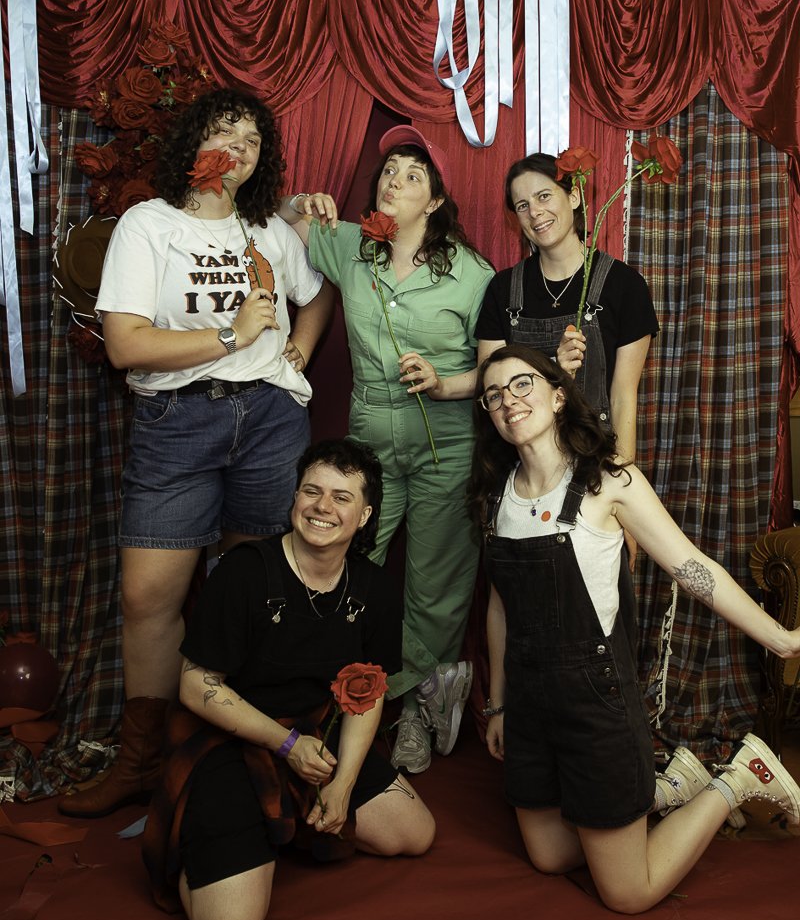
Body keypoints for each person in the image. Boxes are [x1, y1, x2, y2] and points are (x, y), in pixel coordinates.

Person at [60, 88, 334, 818]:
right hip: (177, 421)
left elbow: (317, 293)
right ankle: (141, 760)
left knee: (249, 592)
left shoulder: (269, 229)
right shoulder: (150, 225)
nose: (238, 145)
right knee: (149, 595)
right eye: (223, 130)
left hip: (270, 422)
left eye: (251, 137)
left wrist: (295, 353)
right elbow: (125, 344)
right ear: (193, 143)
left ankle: (235, 743)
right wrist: (231, 337)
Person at [468, 343, 800, 914]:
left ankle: (736, 777)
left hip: (596, 701)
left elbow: (695, 571)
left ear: (556, 395)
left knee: (628, 894)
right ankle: (665, 789)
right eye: (494, 395)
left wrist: (784, 639)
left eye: (522, 385)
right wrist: (498, 704)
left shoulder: (610, 483)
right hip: (529, 704)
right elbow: (499, 606)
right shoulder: (494, 496)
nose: (508, 401)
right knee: (548, 856)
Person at [142, 438, 435, 920]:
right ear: (294, 498)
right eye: (311, 491)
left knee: (413, 835)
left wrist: (342, 782)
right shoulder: (243, 572)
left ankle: (288, 817)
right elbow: (194, 685)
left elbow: (366, 695)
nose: (323, 507)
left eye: (342, 498)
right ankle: (207, 845)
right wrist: (287, 746)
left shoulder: (373, 587)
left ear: (365, 515)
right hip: (231, 741)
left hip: (315, 738)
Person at [280, 126, 494, 775]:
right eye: (388, 171)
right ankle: (345, 700)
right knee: (349, 567)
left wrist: (442, 379)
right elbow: (280, 226)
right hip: (368, 444)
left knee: (435, 588)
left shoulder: (472, 274)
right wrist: (302, 203)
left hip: (446, 444)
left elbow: (494, 368)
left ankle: (416, 714)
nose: (393, 181)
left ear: (434, 202)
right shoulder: (354, 246)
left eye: (411, 175)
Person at [475, 153, 658, 471]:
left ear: (574, 196)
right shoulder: (502, 289)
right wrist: (555, 367)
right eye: (522, 205)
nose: (535, 212)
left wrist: (624, 477)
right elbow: (490, 384)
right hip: (522, 463)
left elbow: (622, 397)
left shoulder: (625, 285)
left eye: (544, 196)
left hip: (595, 458)